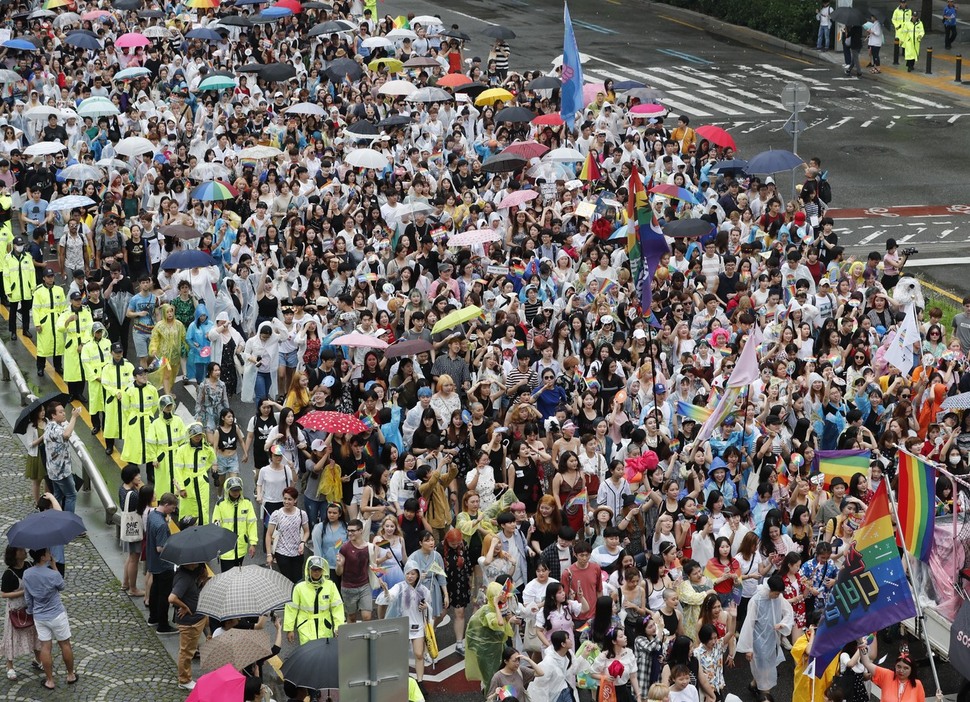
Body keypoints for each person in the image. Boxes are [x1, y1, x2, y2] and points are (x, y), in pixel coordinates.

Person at [22, 547, 76, 690]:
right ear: (43, 557)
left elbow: (28, 597)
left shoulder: (27, 574)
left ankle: (50, 680)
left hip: (40, 616)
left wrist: (31, 611)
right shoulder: (52, 574)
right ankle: (71, 675)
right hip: (57, 614)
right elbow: (62, 586)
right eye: (47, 552)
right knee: (65, 644)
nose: (50, 554)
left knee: (45, 647)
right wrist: (54, 566)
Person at [736, 575, 794, 697]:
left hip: (772, 638)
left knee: (767, 665)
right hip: (758, 640)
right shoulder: (756, 601)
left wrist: (782, 624)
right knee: (763, 665)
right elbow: (748, 625)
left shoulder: (778, 598)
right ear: (769, 590)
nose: (777, 596)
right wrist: (748, 648)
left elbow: (788, 612)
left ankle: (753, 685)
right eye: (776, 593)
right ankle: (765, 694)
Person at [383, 563, 433, 682]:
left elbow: (430, 609)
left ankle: (420, 681)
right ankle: (402, 682)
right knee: (400, 656)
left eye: (413, 573)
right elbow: (391, 597)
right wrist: (386, 591)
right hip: (403, 626)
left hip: (418, 626)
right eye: (407, 573)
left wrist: (426, 606)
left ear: (418, 575)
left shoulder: (424, 590)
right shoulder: (399, 587)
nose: (410, 576)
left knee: (419, 654)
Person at [465, 581, 515, 693]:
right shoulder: (488, 611)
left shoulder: (494, 608)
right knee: (491, 681)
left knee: (503, 677)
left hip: (497, 648)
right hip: (486, 653)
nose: (506, 598)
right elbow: (500, 623)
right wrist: (497, 605)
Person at [283, 555, 345, 644]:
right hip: (305, 626)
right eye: (314, 569)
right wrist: (289, 629)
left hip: (324, 626)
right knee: (307, 651)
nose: (317, 572)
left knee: (324, 651)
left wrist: (338, 627)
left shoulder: (330, 585)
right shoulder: (299, 587)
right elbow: (291, 609)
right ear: (308, 570)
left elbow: (337, 607)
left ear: (323, 570)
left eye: (319, 569)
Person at [1, 546, 41, 681]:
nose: (24, 551)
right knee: (11, 637)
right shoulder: (9, 574)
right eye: (20, 550)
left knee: (35, 633)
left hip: (30, 607)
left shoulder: (29, 565)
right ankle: (9, 665)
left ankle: (37, 659)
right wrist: (24, 592)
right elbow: (4, 594)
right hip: (15, 610)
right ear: (14, 554)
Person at [169, 561, 209, 692]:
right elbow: (172, 598)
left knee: (190, 649)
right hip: (190, 622)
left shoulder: (192, 572)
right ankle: (184, 680)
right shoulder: (184, 579)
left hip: (197, 618)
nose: (198, 564)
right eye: (195, 562)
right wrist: (185, 607)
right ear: (188, 563)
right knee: (186, 652)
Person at [146, 493, 179, 635]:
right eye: (172, 507)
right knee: (164, 594)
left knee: (155, 589)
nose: (173, 510)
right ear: (166, 505)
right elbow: (160, 548)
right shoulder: (161, 525)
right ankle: (163, 625)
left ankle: (153, 617)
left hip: (153, 562)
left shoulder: (152, 515)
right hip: (164, 565)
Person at [212, 476, 259, 571]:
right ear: (228, 490)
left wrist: (253, 543)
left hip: (241, 548)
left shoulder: (247, 502)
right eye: (233, 490)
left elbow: (252, 523)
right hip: (226, 549)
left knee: (238, 575)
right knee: (226, 577)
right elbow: (215, 526)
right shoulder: (220, 504)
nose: (236, 493)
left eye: (238, 490)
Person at [42, 401, 81, 514]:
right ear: (53, 415)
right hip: (61, 471)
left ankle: (55, 517)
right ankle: (68, 522)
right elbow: (66, 435)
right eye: (61, 412)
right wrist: (74, 417)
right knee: (71, 495)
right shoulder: (55, 429)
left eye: (64, 411)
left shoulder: (49, 426)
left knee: (58, 496)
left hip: (53, 470)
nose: (64, 413)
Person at [265, 486, 310, 583]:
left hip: (297, 552)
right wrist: (269, 554)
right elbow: (269, 534)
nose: (286, 501)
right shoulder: (276, 514)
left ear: (295, 500)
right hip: (282, 552)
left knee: (298, 580)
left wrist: (303, 542)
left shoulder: (302, 514)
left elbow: (307, 531)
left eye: (290, 499)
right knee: (286, 580)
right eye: (285, 498)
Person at [175, 422, 217, 526]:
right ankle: (186, 528)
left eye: (200, 435)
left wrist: (202, 472)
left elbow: (212, 460)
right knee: (188, 507)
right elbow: (178, 470)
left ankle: (203, 527)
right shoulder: (182, 450)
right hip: (188, 483)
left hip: (202, 482)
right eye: (195, 435)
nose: (198, 437)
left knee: (203, 505)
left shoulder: (207, 449)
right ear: (190, 436)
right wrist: (181, 488)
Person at [860, 649, 926, 702]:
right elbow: (867, 663)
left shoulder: (917, 684)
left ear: (912, 670)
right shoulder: (887, 675)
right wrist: (861, 646)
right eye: (899, 666)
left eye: (906, 668)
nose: (901, 670)